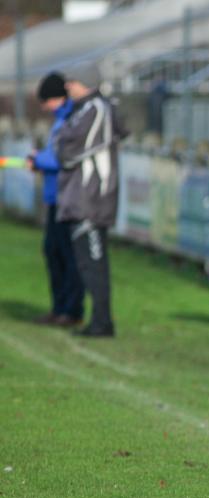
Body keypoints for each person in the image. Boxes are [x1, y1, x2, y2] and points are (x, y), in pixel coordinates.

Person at [55, 62, 128, 337]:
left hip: (92, 200)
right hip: (80, 199)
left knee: (94, 263)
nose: (67, 86)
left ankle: (102, 322)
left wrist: (61, 147)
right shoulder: (83, 109)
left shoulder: (96, 109)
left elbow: (70, 149)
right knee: (85, 262)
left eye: (72, 81)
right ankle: (98, 320)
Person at [27, 72, 83, 327]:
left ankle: (71, 311)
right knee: (53, 252)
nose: (43, 107)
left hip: (68, 199)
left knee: (67, 255)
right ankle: (59, 307)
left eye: (45, 101)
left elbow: (63, 157)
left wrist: (38, 160)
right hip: (54, 197)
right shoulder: (60, 121)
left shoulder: (71, 120)